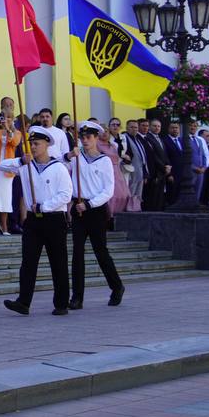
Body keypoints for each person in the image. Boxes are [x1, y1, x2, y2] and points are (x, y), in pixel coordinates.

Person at [0, 126, 73, 316]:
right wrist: (21, 160)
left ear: (47, 144)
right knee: (28, 262)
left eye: (37, 144)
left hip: (54, 219)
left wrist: (44, 206)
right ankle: (24, 302)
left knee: (58, 262)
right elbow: (2, 166)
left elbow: (66, 194)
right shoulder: (26, 166)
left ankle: (61, 303)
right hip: (33, 221)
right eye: (31, 143)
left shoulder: (58, 167)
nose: (33, 147)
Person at [68, 121, 124, 309]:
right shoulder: (76, 157)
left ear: (96, 138)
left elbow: (108, 190)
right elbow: (58, 163)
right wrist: (69, 155)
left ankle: (117, 286)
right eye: (82, 137)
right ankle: (77, 297)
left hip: (95, 209)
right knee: (77, 253)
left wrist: (90, 204)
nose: (85, 140)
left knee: (100, 251)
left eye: (89, 137)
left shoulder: (105, 160)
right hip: (78, 207)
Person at [0, 111, 21, 236]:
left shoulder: (17, 132)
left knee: (5, 198)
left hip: (7, 170)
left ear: (13, 120)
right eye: (4, 118)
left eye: (9, 118)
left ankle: (5, 226)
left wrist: (7, 128)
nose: (6, 120)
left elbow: (14, 142)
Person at [95, 119, 132, 215]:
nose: (104, 134)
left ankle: (118, 214)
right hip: (105, 172)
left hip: (117, 172)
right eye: (101, 132)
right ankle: (108, 215)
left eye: (106, 131)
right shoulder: (96, 145)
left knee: (123, 195)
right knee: (110, 195)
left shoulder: (114, 145)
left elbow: (119, 158)